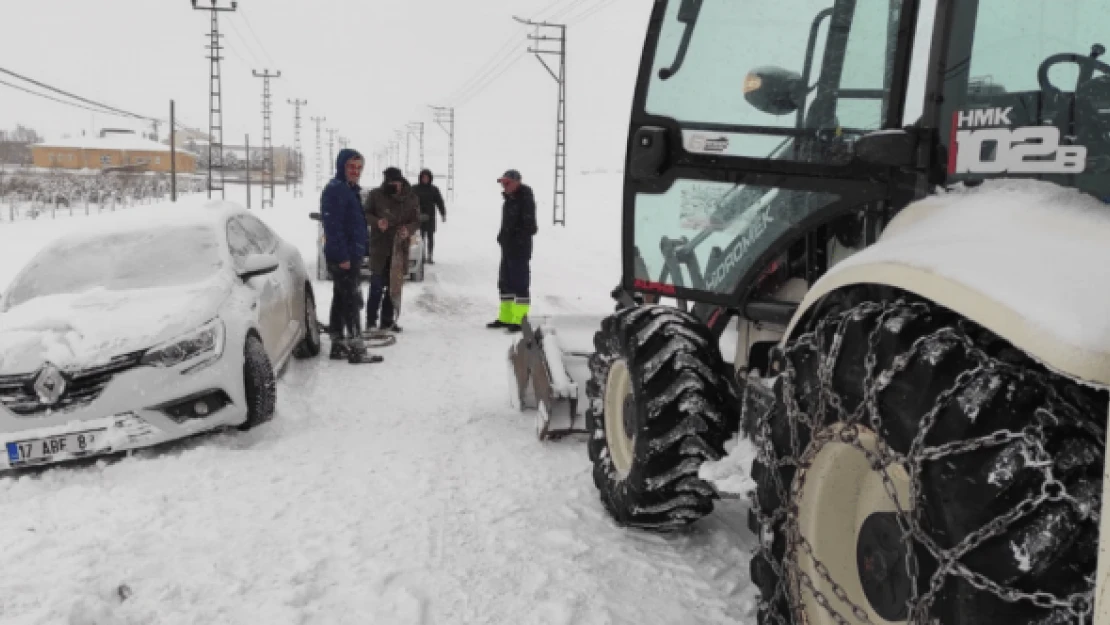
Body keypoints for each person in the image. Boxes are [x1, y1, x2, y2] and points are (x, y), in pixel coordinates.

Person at [320, 149, 383, 364]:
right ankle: (357, 348)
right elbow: (333, 226)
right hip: (343, 257)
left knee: (340, 299)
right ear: (341, 167)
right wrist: (343, 256)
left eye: (358, 168)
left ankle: (338, 344)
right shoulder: (335, 190)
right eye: (351, 167)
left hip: (349, 254)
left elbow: (354, 224)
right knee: (352, 300)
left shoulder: (350, 190)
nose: (355, 171)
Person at [364, 167, 421, 333]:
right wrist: (377, 222)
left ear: (401, 181)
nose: (392, 186)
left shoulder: (411, 198)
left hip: (399, 249)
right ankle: (371, 322)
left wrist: (407, 229)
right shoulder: (376, 195)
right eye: (389, 182)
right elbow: (366, 214)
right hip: (380, 247)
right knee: (376, 286)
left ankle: (387, 321)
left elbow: (417, 220)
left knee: (393, 287)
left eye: (395, 182)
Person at [488, 169, 537, 333]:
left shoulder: (525, 199)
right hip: (507, 248)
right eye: (502, 183)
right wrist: (502, 237)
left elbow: (530, 226)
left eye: (507, 182)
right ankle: (506, 318)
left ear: (517, 182)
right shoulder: (509, 200)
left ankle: (519, 320)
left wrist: (516, 238)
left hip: (520, 249)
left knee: (519, 284)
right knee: (505, 283)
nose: (504, 186)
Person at [412, 169, 447, 264]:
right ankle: (421, 256)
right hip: (418, 217)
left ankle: (430, 256)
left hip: (430, 216)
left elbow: (440, 202)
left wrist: (443, 213)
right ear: (420, 178)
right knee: (420, 237)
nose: (425, 179)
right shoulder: (414, 189)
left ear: (430, 178)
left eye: (427, 177)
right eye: (423, 177)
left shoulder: (434, 189)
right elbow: (409, 202)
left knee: (430, 237)